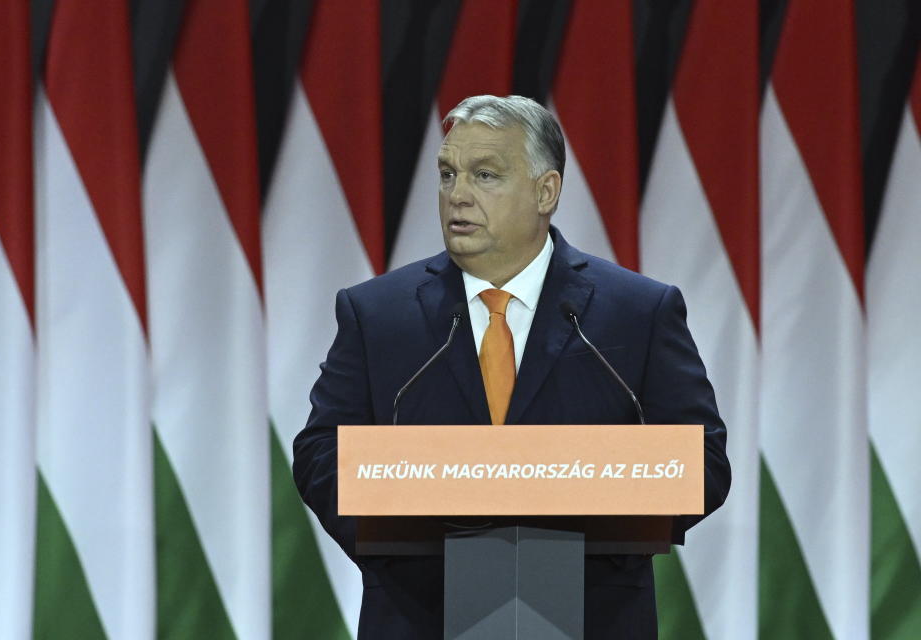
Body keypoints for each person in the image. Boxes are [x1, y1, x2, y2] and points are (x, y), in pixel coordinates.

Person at [293, 95, 730, 639]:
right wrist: (406, 545)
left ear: (546, 192)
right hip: (419, 612)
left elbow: (703, 462)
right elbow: (320, 455)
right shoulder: (377, 313)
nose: (458, 195)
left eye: (485, 175)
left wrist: (568, 527)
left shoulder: (637, 312)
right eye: (448, 174)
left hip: (592, 613)